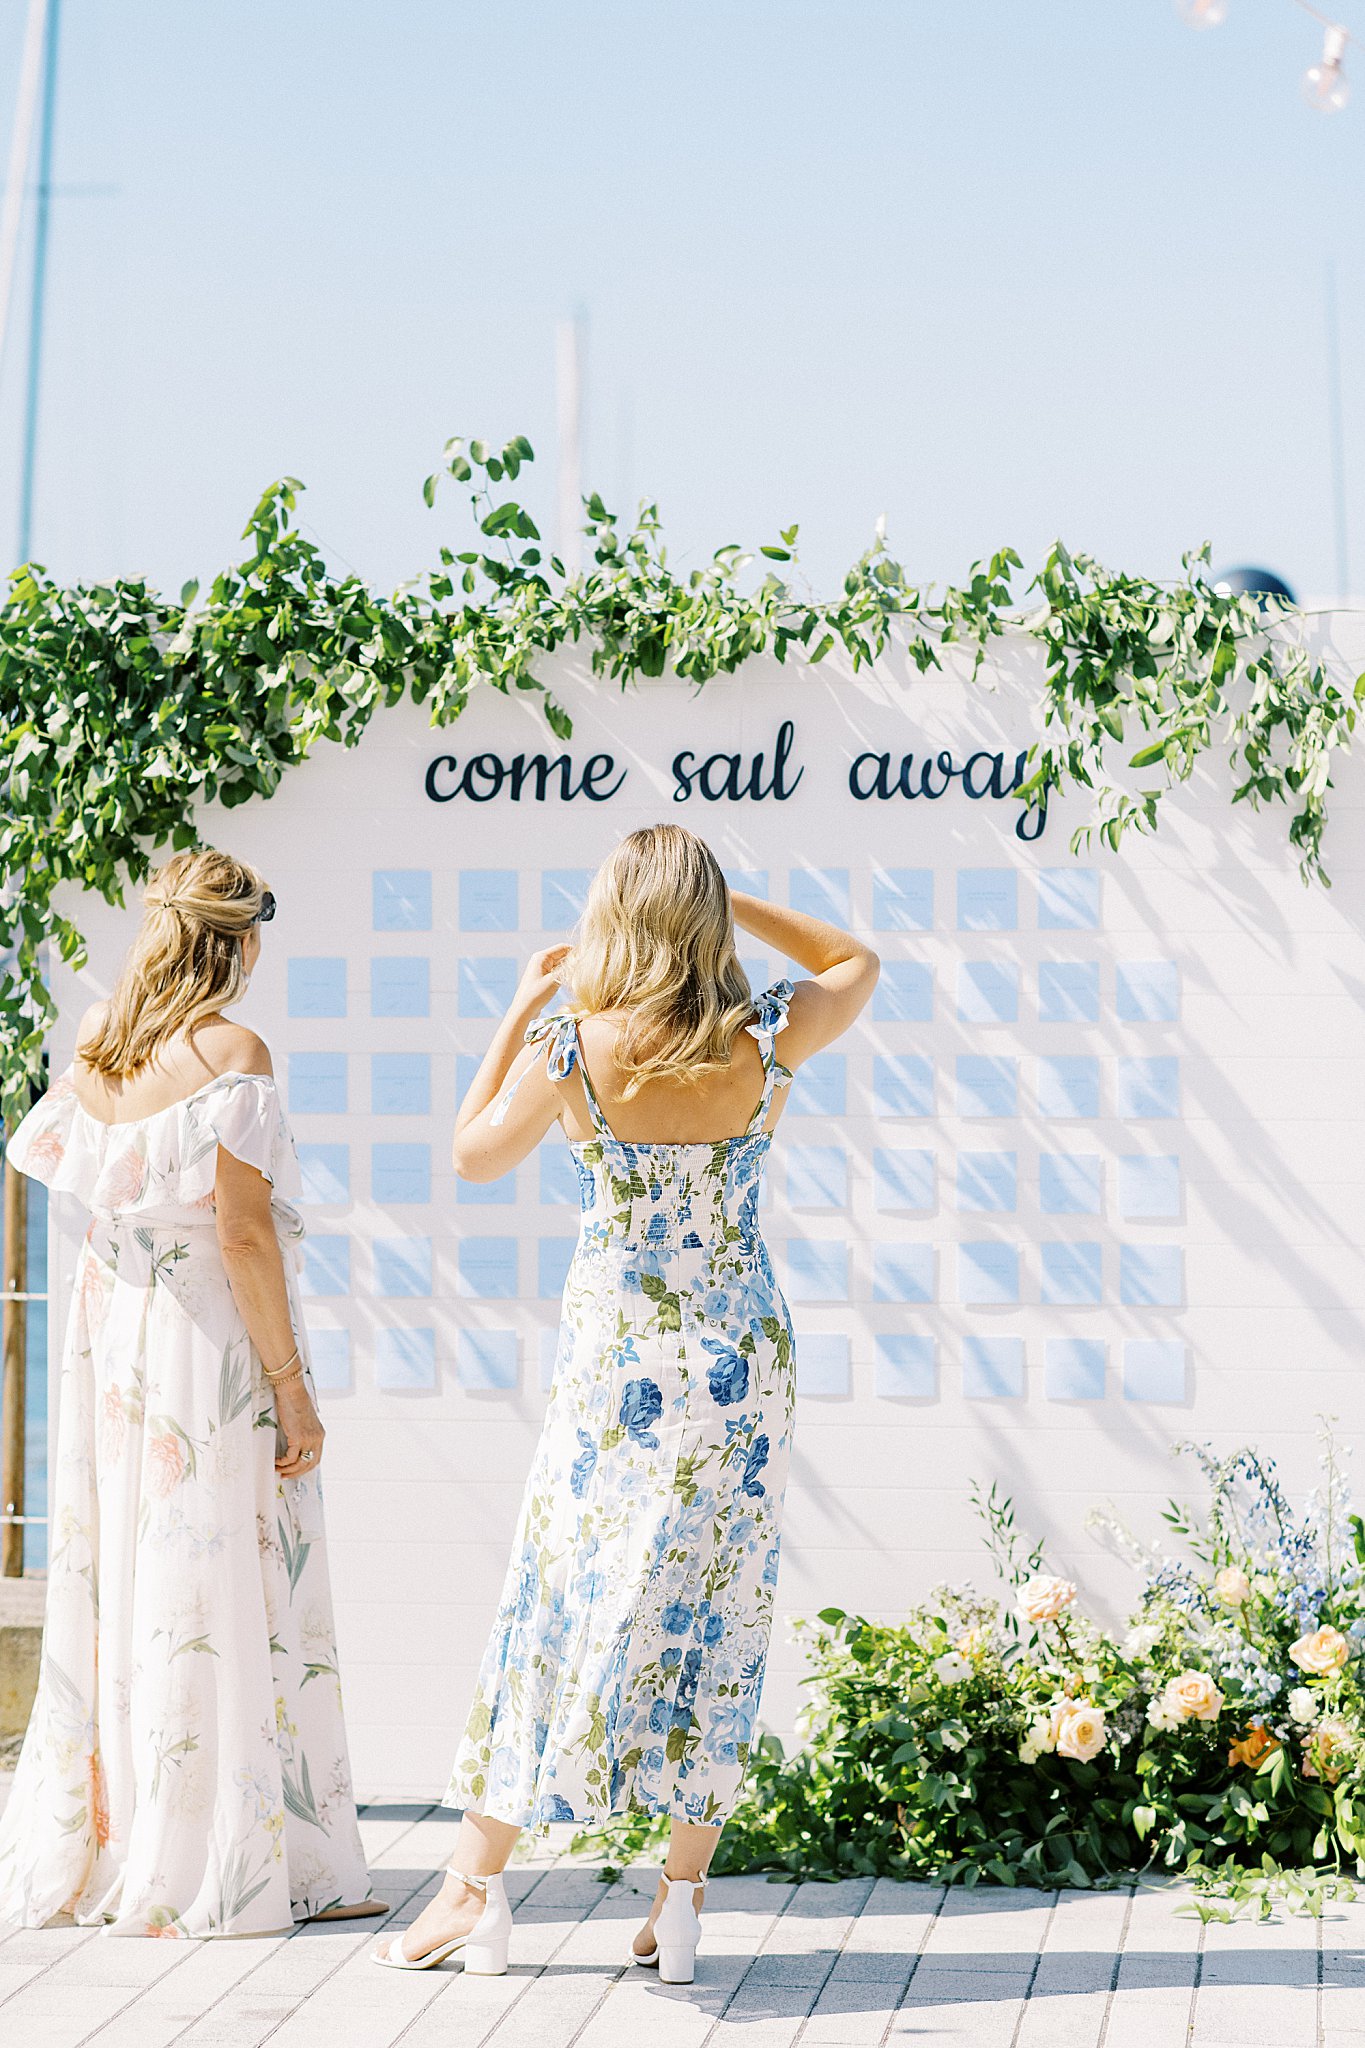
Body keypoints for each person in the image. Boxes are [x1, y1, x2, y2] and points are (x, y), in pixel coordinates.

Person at [375, 824, 878, 1983]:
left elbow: (468, 1155)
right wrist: (724, 903)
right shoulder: (765, 1036)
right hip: (743, 1362)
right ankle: (683, 1903)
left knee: (552, 1596)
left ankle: (475, 1889)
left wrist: (516, 1005)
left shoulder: (574, 1045)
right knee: (721, 1609)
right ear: (702, 922)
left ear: (616, 920)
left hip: (620, 1369)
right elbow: (859, 960)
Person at [0, 849, 377, 1939]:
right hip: (207, 1349)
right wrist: (293, 1390)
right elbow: (243, 1229)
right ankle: (242, 1853)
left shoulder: (96, 1039)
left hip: (118, 1346)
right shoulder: (233, 1051)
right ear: (239, 937)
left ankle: (137, 1837)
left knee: (137, 1578)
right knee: (230, 1579)